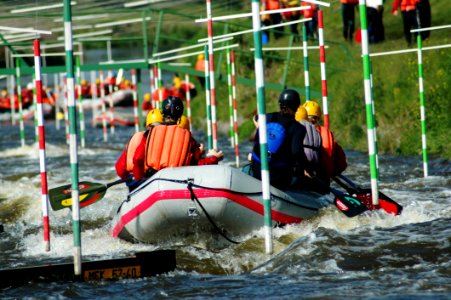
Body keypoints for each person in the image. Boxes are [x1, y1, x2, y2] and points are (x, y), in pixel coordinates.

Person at [143, 96, 223, 173]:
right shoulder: (187, 137)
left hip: (152, 177)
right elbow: (195, 163)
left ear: (162, 112)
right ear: (180, 114)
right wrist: (213, 158)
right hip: (176, 177)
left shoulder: (149, 134)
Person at [249, 89, 308, 190]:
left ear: (280, 104)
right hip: (277, 177)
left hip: (257, 170)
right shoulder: (298, 128)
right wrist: (307, 168)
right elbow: (297, 152)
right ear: (297, 107)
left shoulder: (266, 117)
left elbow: (256, 118)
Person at [302, 100, 347, 191]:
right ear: (318, 117)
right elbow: (342, 164)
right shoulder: (327, 133)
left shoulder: (300, 130)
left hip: (305, 180)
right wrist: (332, 173)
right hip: (324, 181)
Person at [115, 108, 164, 191]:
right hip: (140, 179)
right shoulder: (149, 139)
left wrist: (127, 178)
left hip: (131, 179)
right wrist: (139, 179)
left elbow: (119, 167)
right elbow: (137, 159)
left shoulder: (136, 137)